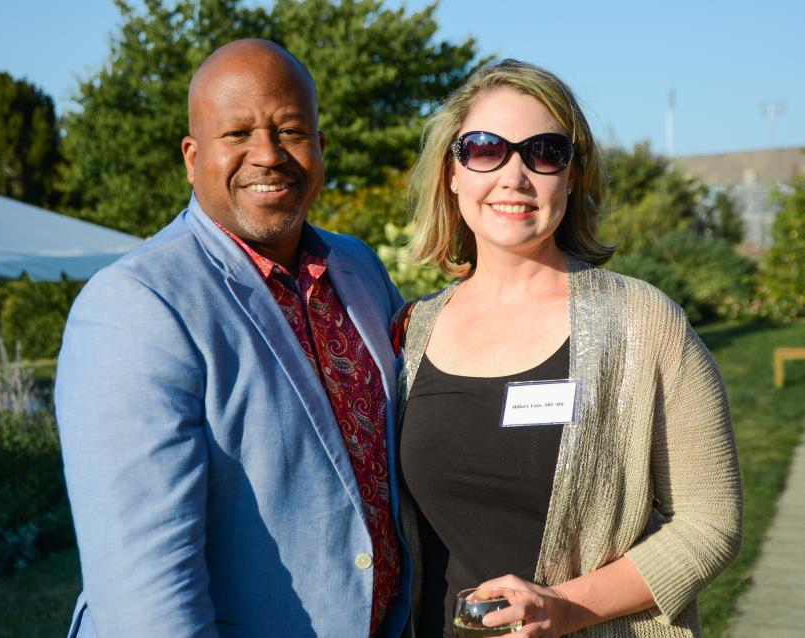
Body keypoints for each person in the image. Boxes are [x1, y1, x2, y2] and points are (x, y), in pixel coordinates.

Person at [56, 39, 411, 638]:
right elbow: (145, 597)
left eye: (291, 130)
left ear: (321, 148)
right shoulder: (136, 304)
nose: (267, 155)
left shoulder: (359, 269)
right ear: (193, 158)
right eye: (237, 133)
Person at [394, 59, 742, 637]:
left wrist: (565, 607)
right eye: (484, 149)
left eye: (544, 151)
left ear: (573, 174)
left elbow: (711, 522)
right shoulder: (411, 331)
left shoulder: (643, 323)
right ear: (452, 173)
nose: (513, 175)